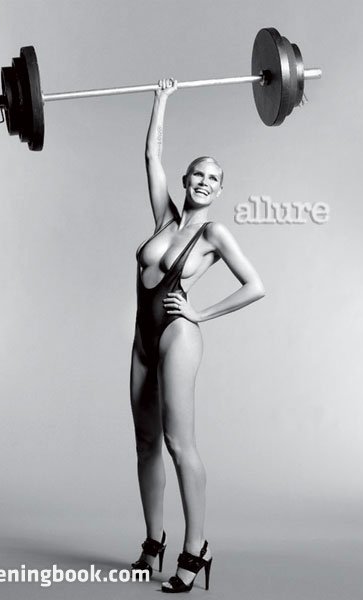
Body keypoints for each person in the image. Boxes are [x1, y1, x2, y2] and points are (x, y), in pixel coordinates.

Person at [130, 78, 265, 593]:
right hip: (142, 336)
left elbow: (255, 286)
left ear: (219, 189)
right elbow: (151, 156)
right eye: (198, 174)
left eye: (214, 178)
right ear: (186, 179)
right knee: (145, 443)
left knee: (177, 443)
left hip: (177, 336)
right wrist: (162, 99)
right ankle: (153, 543)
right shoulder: (164, 218)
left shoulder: (213, 234)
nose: (204, 182)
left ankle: (196, 547)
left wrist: (200, 314)